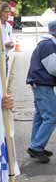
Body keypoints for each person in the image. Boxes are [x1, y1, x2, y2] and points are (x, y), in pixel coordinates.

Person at [26, 19, 56, 163]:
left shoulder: (46, 43)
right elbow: (54, 68)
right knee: (51, 116)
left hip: (39, 82)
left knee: (40, 116)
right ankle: (37, 147)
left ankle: (35, 145)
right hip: (43, 83)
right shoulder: (49, 45)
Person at [0, 2, 15, 74]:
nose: (8, 14)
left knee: (4, 84)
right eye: (6, 12)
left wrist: (11, 44)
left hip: (5, 58)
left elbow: (11, 40)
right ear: (0, 12)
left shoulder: (8, 26)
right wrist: (4, 44)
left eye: (8, 12)